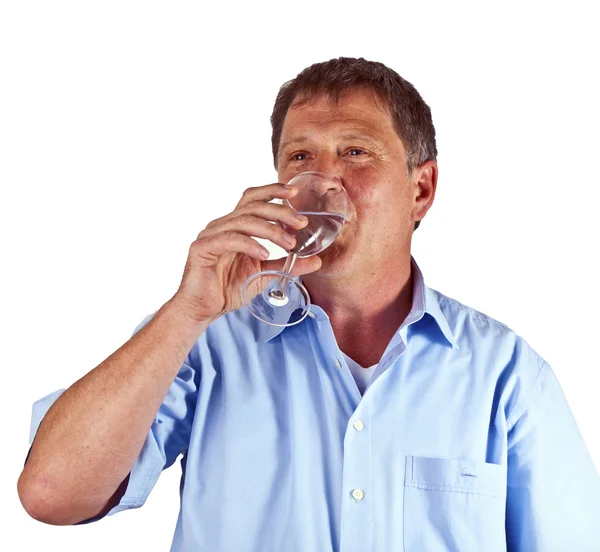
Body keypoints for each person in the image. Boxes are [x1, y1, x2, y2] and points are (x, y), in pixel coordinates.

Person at [17, 57, 600, 551]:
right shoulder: (205, 338)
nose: (324, 181)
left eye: (355, 152)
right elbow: (51, 495)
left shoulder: (506, 372)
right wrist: (186, 311)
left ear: (420, 189)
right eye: (300, 157)